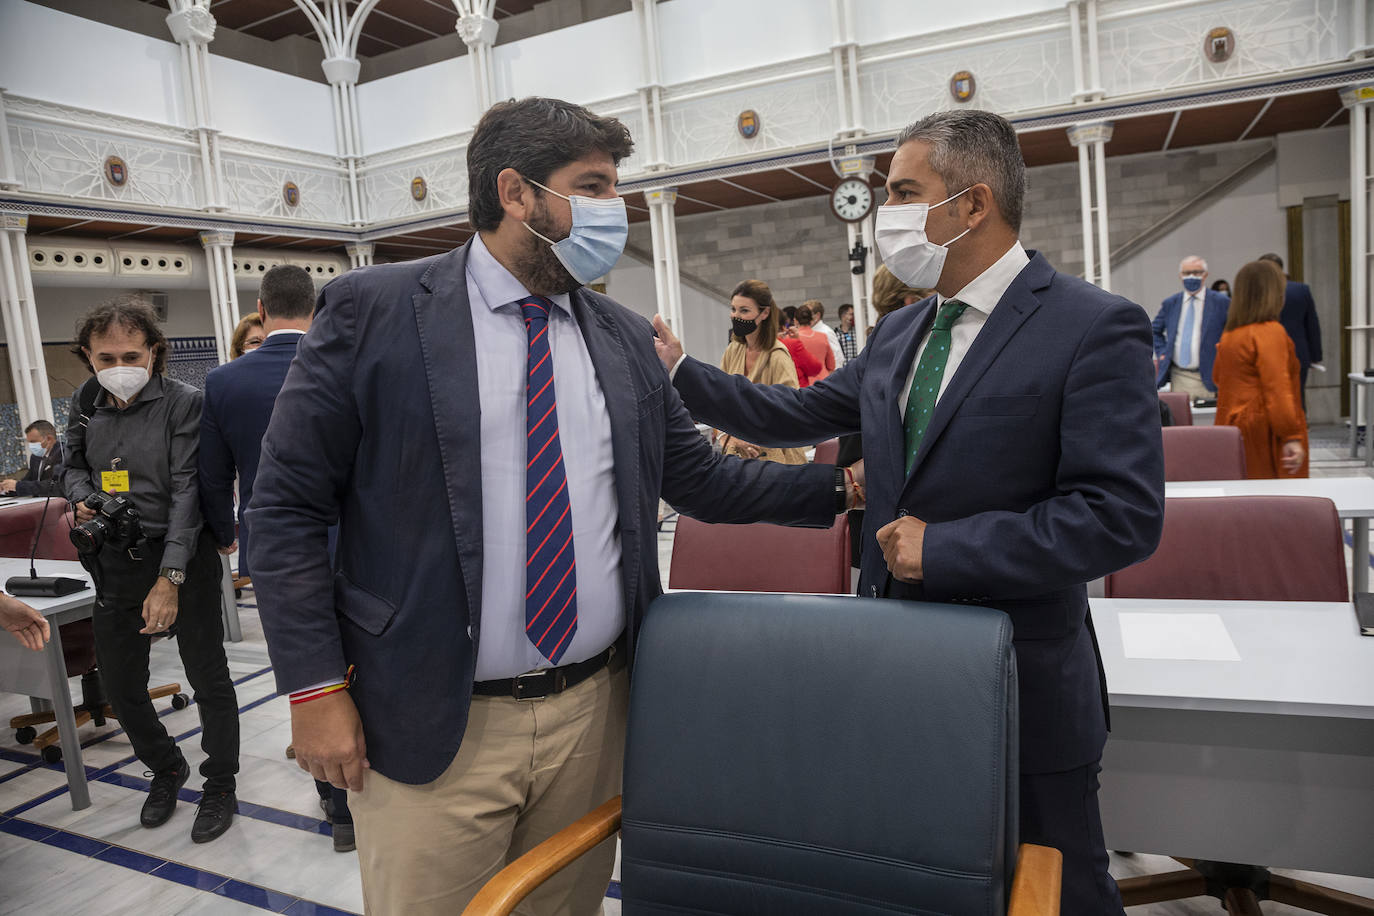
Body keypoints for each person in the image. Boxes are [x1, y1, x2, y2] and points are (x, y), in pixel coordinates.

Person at [246, 96, 856, 915]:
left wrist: (842, 491)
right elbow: (283, 505)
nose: (617, 209)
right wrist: (315, 688)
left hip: (594, 713)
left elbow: (701, 480)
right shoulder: (378, 310)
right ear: (516, 192)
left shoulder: (621, 337)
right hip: (435, 716)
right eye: (594, 186)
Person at [654, 108, 1164, 915]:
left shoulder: (1090, 327)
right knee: (924, 880)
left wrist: (949, 548)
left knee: (1059, 890)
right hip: (898, 668)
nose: (885, 211)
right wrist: (680, 369)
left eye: (902, 191)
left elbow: (1119, 517)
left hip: (1021, 680)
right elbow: (794, 416)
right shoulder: (898, 332)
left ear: (972, 204)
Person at [61, 295, 240, 843]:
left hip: (180, 553)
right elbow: (69, 467)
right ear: (87, 356)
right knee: (120, 682)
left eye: (132, 354)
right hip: (116, 558)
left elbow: (188, 490)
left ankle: (220, 783)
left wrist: (171, 578)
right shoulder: (85, 402)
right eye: (106, 356)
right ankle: (166, 766)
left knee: (207, 677)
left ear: (155, 352)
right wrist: (86, 496)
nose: (119, 368)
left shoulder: (184, 403)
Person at [198, 265, 356, 852]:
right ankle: (363, 795)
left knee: (308, 670)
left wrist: (223, 536)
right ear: (314, 311)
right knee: (359, 660)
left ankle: (337, 806)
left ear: (260, 310)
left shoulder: (224, 382)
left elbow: (213, 477)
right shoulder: (346, 364)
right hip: (354, 540)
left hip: (275, 550)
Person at [1214, 260, 1308, 478]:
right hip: (1266, 430)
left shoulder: (1230, 335)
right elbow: (1278, 389)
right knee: (1279, 502)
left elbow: (1218, 378)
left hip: (1231, 426)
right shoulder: (1270, 332)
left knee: (1245, 499)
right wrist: (1291, 436)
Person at [719, 280, 807, 463]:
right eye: (733, 309)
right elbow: (719, 400)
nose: (736, 316)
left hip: (777, 459)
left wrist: (749, 434)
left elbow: (790, 413)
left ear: (764, 313)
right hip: (737, 458)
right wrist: (727, 437)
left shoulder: (778, 356)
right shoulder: (733, 350)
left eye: (744, 310)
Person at [1151, 255, 1229, 400]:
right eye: (1187, 273)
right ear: (1180, 276)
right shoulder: (1171, 303)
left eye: (1197, 272)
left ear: (1205, 275)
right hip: (1179, 376)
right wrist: (1163, 352)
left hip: (1210, 376)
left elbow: (1231, 332)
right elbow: (1154, 330)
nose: (1192, 276)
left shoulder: (1221, 302)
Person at [1258, 252, 1323, 408]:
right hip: (1298, 351)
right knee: (1297, 397)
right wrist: (1315, 355)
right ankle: (1300, 428)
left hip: (1264, 352)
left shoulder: (1256, 292)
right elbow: (1312, 325)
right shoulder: (1301, 290)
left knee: (1268, 399)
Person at [2, 420, 65, 496]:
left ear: (49, 439)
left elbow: (57, 485)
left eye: (33, 442)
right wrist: (6, 488)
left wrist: (18, 486)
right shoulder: (35, 457)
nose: (31, 446)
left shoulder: (64, 453)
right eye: (29, 442)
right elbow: (27, 481)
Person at [793, 302, 835, 382]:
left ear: (795, 321)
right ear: (811, 320)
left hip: (802, 382)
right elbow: (831, 365)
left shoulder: (791, 339)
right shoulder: (823, 336)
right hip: (823, 381)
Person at [809, 300, 845, 368]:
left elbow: (837, 357)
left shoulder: (826, 332)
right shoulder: (809, 331)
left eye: (808, 314)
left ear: (817, 315)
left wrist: (830, 377)